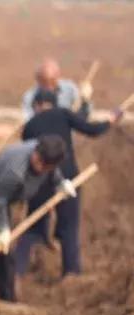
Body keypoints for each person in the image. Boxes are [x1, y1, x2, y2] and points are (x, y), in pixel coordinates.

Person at [17, 89, 122, 278]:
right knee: (69, 228)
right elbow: (90, 128)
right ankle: (71, 274)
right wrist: (110, 120)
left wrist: (83, 104)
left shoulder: (28, 126)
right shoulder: (63, 114)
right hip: (68, 178)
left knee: (33, 228)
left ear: (37, 105)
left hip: (39, 180)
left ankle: (16, 271)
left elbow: (28, 155)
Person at [0, 135, 70, 302]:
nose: (36, 162)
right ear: (36, 150)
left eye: (43, 164)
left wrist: (61, 183)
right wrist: (2, 229)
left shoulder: (47, 161)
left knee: (7, 255)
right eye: (37, 158)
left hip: (0, 200)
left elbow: (53, 172)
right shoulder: (16, 170)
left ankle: (7, 300)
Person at [20, 58, 92, 120]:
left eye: (52, 82)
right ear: (38, 80)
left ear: (58, 77)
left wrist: (85, 100)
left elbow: (82, 117)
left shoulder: (70, 89)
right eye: (45, 83)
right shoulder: (30, 97)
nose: (49, 87)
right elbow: (29, 122)